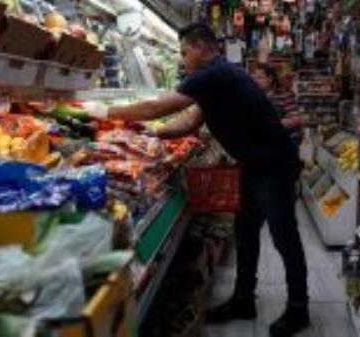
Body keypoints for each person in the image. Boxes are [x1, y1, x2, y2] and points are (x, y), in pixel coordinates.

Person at [88, 23, 309, 337]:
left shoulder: (213, 74)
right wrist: (154, 134)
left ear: (202, 47)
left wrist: (106, 111)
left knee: (284, 237)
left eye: (184, 52)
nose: (182, 59)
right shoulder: (217, 77)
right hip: (253, 164)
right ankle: (244, 300)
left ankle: (299, 309)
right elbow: (191, 121)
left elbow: (155, 106)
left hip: (273, 167)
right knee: (246, 234)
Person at [253, 65, 304, 142]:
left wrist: (274, 123)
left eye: (259, 77)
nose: (255, 80)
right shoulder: (257, 96)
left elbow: (295, 119)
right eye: (254, 77)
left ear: (270, 78)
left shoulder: (284, 95)